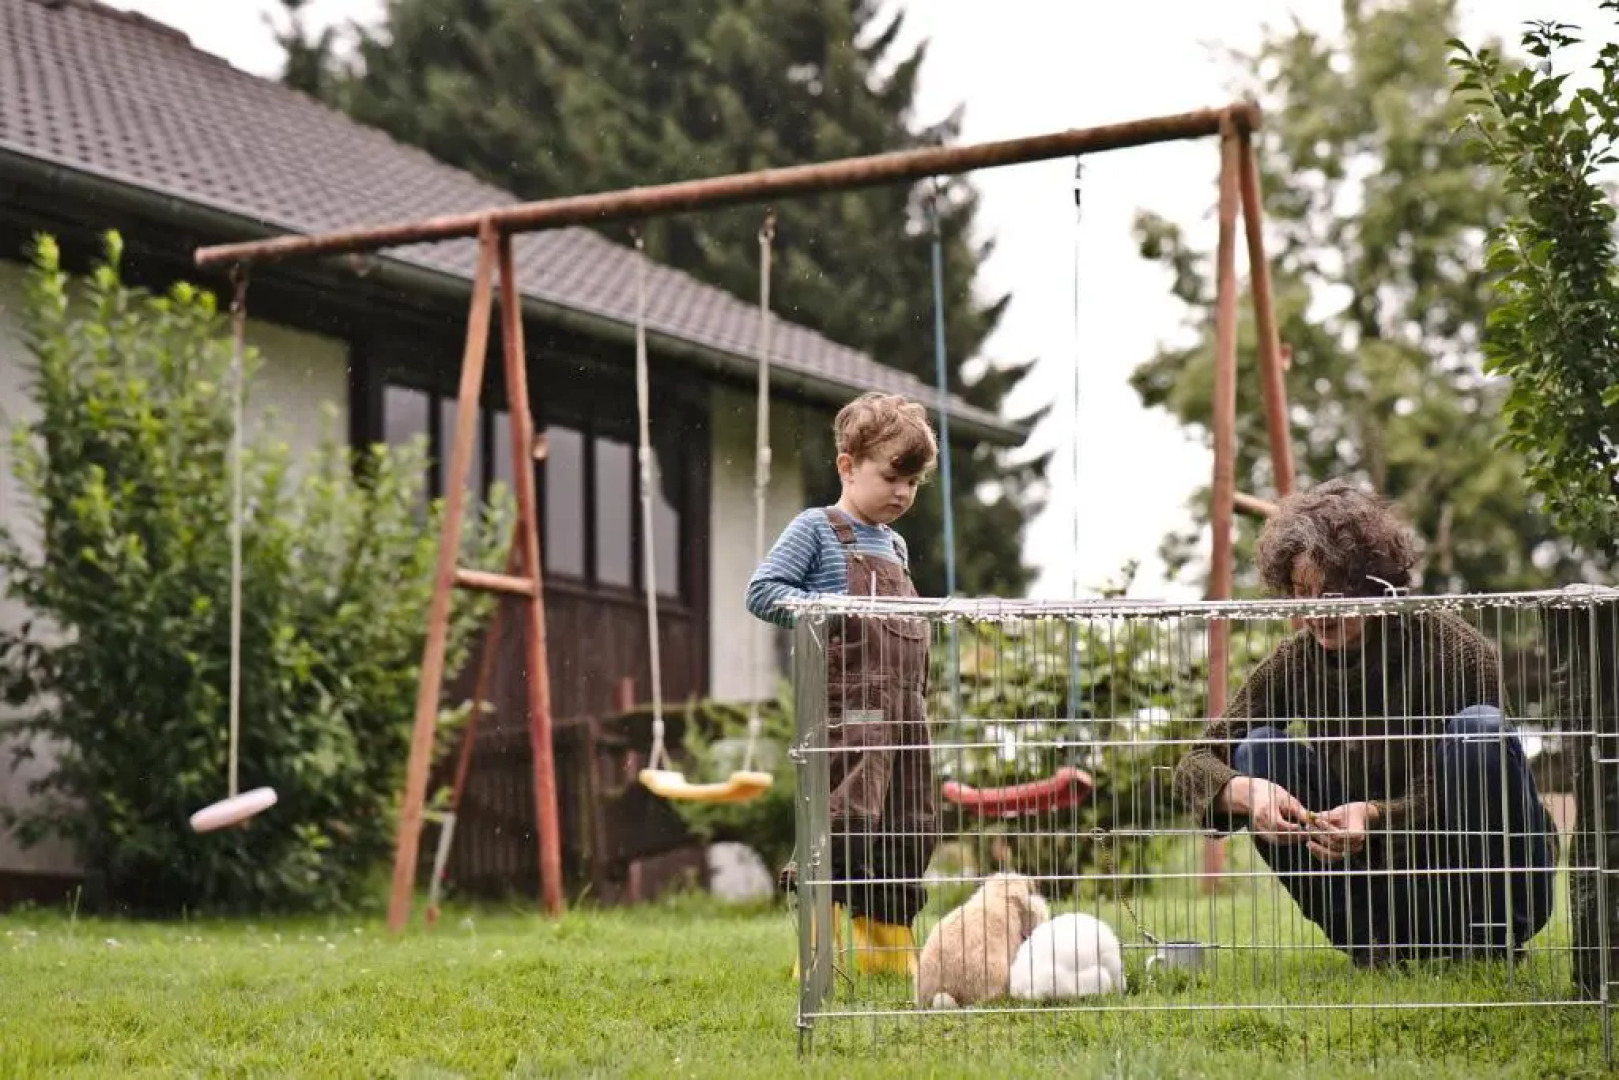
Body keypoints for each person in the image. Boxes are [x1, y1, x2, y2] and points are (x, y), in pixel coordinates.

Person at [1173, 479, 1559, 967]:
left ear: (1375, 583)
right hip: (1376, 890)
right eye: (1302, 595)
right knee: (1259, 749)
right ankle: (1370, 945)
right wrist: (1246, 791)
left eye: (1332, 594)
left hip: (1474, 877)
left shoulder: (1456, 648)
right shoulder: (1295, 662)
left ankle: (1490, 944)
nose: (1316, 613)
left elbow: (1479, 779)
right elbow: (1195, 762)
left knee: (1479, 729)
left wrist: (1374, 814)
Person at [746, 391, 940, 976]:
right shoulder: (817, 529)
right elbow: (763, 592)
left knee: (909, 820)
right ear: (847, 466)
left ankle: (886, 945)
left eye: (913, 482)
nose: (902, 493)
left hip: (905, 711)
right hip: (848, 708)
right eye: (891, 477)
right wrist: (827, 610)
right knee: (846, 816)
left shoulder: (897, 545)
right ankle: (816, 946)